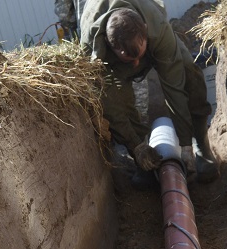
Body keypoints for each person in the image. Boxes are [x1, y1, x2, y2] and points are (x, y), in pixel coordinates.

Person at [79, 0, 219, 183]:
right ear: (109, 42)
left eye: (138, 57)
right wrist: (136, 146)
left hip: (153, 42)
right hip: (113, 65)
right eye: (130, 60)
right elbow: (109, 103)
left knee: (189, 72)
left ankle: (201, 143)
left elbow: (174, 87)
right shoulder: (92, 48)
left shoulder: (157, 25)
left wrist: (185, 146)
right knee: (120, 100)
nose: (136, 65)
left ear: (144, 29)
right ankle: (142, 161)